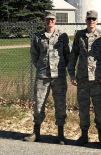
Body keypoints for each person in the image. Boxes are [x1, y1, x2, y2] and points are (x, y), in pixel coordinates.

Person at [67, 10, 101, 148]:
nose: (91, 21)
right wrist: (71, 74)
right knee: (83, 107)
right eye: (89, 19)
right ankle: (84, 135)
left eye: (93, 19)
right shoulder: (79, 35)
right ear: (86, 20)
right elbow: (73, 55)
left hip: (98, 79)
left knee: (99, 108)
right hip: (82, 78)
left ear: (97, 21)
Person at [24, 10, 71, 144]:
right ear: (44, 20)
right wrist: (41, 67)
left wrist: (61, 66)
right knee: (39, 104)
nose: (50, 21)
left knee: (60, 105)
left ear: (55, 20)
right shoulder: (38, 37)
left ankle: (61, 134)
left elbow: (68, 54)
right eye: (47, 19)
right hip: (42, 76)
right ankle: (36, 132)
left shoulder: (63, 36)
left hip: (59, 76)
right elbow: (34, 55)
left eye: (52, 19)